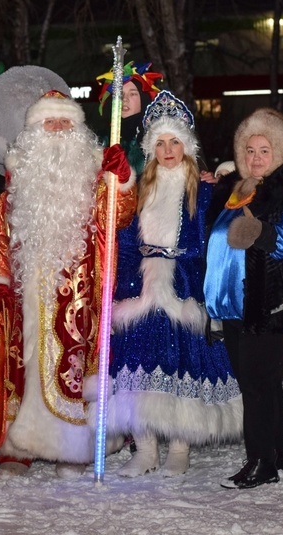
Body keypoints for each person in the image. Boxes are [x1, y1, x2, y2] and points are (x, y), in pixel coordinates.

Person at [0, 90, 137, 479]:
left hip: (80, 298)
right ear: (32, 132)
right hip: (22, 300)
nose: (59, 128)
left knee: (74, 370)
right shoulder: (13, 194)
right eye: (50, 121)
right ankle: (17, 448)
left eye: (67, 121)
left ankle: (73, 448)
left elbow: (121, 216)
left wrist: (125, 180)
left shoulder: (97, 185)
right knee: (19, 368)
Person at [107, 91, 243, 478]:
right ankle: (145, 449)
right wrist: (124, 286)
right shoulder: (139, 191)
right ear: (151, 148)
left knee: (183, 366)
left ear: (188, 145)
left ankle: (180, 449)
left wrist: (225, 179)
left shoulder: (201, 190)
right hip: (141, 290)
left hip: (184, 288)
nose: (168, 150)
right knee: (137, 368)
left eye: (175, 142)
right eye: (160, 143)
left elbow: (215, 235)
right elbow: (125, 240)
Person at [204, 108, 283, 489]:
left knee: (255, 385)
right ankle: (277, 454)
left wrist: (263, 233)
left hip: (269, 304)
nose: (255, 158)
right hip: (233, 307)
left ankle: (260, 463)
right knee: (264, 384)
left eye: (264, 150)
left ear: (280, 152)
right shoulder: (237, 191)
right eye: (249, 150)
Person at [96, 61, 163, 176]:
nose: (125, 99)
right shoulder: (102, 141)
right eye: (120, 95)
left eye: (132, 94)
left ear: (143, 98)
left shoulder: (159, 137)